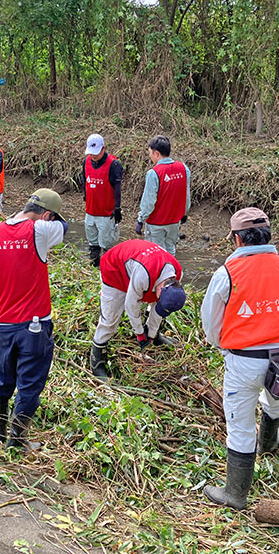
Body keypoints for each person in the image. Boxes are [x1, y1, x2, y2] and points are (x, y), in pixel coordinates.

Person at [201, 208, 279, 510]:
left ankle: (235, 494)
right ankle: (270, 442)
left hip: (243, 360)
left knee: (240, 425)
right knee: (276, 401)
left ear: (236, 239)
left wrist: (222, 345)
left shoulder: (226, 274)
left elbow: (211, 323)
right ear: (269, 235)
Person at [0, 189, 67, 450]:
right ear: (46, 215)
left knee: (2, 376)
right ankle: (17, 439)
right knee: (30, 381)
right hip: (35, 325)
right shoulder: (42, 231)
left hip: (3, 323)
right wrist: (50, 220)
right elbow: (65, 227)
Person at [90, 239, 187, 381]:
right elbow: (131, 305)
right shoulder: (144, 275)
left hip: (141, 268)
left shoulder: (177, 273)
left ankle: (155, 336)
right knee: (110, 319)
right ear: (160, 288)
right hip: (114, 269)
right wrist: (140, 333)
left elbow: (158, 308)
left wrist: (151, 332)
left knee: (158, 304)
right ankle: (97, 358)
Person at [135, 135, 191, 255]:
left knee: (155, 255)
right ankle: (172, 273)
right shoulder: (183, 169)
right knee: (170, 251)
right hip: (175, 222)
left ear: (157, 154)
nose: (150, 156)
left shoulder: (154, 173)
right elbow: (186, 196)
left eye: (150, 153)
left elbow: (148, 202)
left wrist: (141, 220)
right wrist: (184, 214)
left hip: (156, 223)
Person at [80, 133, 123, 267]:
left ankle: (106, 270)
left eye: (96, 153)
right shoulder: (86, 162)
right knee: (92, 243)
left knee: (106, 245)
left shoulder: (114, 164)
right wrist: (86, 196)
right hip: (91, 211)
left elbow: (117, 188)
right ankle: (93, 267)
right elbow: (84, 181)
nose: (93, 156)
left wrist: (117, 208)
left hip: (106, 213)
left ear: (103, 148)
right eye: (91, 153)